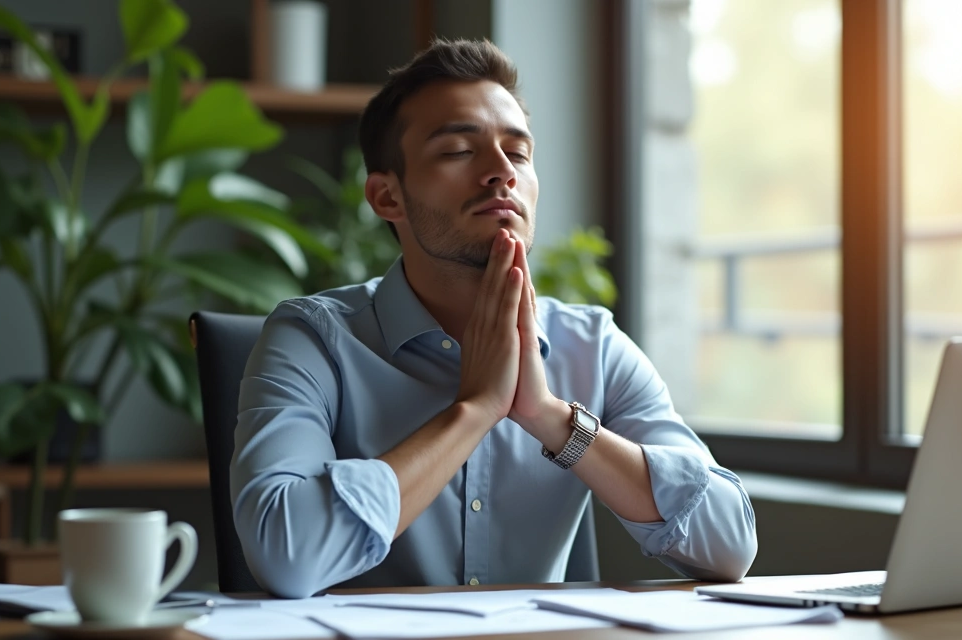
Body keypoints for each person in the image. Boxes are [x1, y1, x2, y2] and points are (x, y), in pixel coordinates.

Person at [231, 39, 757, 598]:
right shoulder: (313, 339)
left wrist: (551, 418)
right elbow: (286, 556)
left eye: (519, 153)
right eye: (459, 150)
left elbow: (729, 545)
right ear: (387, 197)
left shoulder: (594, 346)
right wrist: (475, 410)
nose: (502, 171)